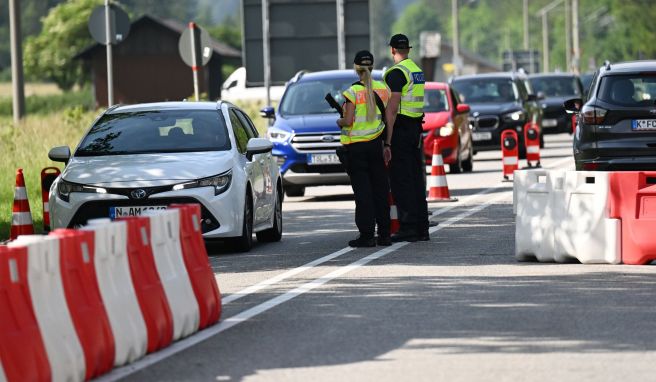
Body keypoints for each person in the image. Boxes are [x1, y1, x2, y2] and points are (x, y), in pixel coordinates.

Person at [336, 50, 392, 247]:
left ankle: (367, 235)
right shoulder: (384, 90)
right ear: (372, 66)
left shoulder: (352, 92)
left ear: (356, 68)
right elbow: (389, 119)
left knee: (363, 193)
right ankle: (385, 234)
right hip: (377, 145)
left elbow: (348, 120)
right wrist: (387, 144)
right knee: (380, 190)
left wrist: (339, 120)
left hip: (357, 149)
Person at [383, 34, 429, 242]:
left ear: (392, 50)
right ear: (408, 50)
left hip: (401, 130)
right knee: (416, 179)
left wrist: (387, 142)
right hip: (416, 128)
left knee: (401, 180)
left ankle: (408, 226)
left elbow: (391, 110)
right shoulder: (417, 71)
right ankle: (422, 228)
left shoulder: (396, 73)